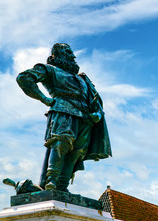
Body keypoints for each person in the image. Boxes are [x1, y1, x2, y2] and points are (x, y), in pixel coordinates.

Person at [16, 43, 111, 192]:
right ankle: (51, 181)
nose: (72, 56)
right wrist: (44, 99)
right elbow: (24, 78)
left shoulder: (82, 79)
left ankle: (62, 185)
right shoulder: (50, 70)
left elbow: (96, 102)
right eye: (68, 52)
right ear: (58, 53)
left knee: (77, 152)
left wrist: (97, 114)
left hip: (85, 118)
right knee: (60, 143)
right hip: (62, 111)